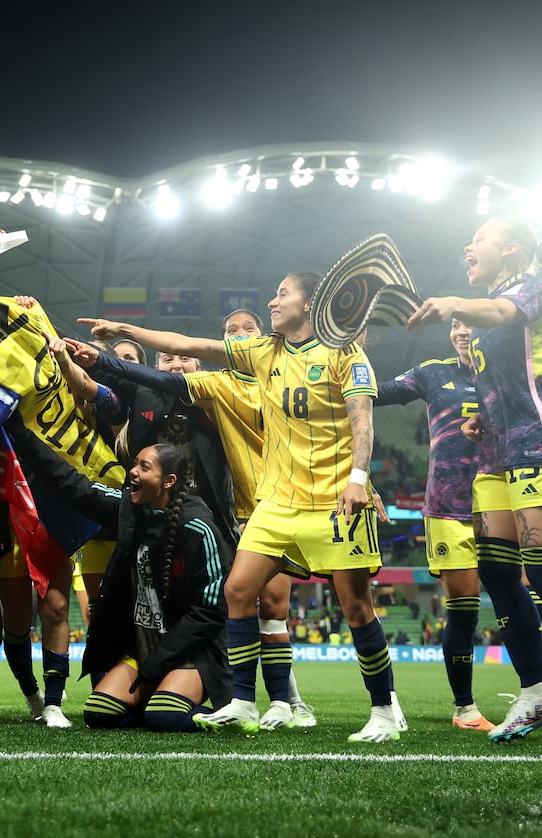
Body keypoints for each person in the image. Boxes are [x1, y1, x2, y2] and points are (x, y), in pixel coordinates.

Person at [81, 272, 401, 742]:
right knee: (238, 590)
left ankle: (383, 711)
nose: (274, 301)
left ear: (311, 305)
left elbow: (362, 418)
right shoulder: (262, 352)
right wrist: (124, 332)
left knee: (356, 607)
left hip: (336, 501)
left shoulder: (346, 354)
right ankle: (243, 702)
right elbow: (185, 343)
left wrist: (358, 479)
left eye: (284, 294)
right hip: (275, 504)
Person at [407, 217, 542, 751]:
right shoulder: (483, 321)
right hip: (499, 454)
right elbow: (498, 378)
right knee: (499, 576)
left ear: (510, 248)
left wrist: (452, 302)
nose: (468, 244)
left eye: (478, 237)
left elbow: (505, 313)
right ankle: (538, 692)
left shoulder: (528, 289)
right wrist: (482, 415)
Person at [64, 307, 319, 728]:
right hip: (155, 523)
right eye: (168, 358)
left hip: (232, 515)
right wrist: (75, 355)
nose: (176, 362)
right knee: (160, 606)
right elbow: (101, 388)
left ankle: (281, 700)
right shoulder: (151, 394)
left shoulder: (235, 388)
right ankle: (170, 683)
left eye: (247, 329)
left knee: (268, 607)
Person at [5, 436, 230, 732]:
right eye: (135, 464)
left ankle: (222, 717)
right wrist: (21, 437)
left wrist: (160, 662)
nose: (133, 471)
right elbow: (73, 485)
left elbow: (211, 611)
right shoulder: (129, 510)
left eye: (144, 467)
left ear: (168, 481)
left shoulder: (199, 528)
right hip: (144, 653)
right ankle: (157, 702)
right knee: (99, 714)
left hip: (193, 653)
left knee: (164, 716)